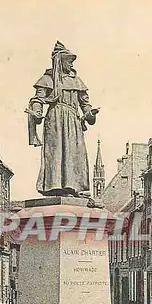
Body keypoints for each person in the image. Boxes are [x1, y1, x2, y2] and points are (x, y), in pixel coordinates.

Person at [26, 41, 99, 197]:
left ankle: (74, 187)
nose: (71, 64)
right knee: (56, 152)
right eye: (69, 60)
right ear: (60, 60)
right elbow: (38, 99)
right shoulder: (48, 78)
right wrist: (37, 111)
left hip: (73, 120)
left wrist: (90, 113)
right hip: (55, 120)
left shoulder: (76, 80)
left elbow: (85, 103)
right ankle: (55, 186)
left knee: (74, 153)